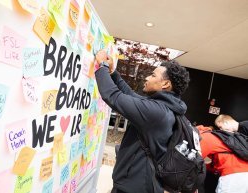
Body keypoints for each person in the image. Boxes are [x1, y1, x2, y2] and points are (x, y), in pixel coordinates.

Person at [94, 49, 190, 193]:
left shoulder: (157, 111)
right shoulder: (165, 107)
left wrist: (102, 66)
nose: (146, 78)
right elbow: (131, 96)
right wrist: (113, 73)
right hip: (140, 183)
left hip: (134, 187)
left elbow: (113, 96)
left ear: (165, 84)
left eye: (152, 75)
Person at [198, 115, 248, 193]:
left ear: (226, 122)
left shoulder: (207, 137)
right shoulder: (237, 136)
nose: (221, 130)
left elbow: (193, 160)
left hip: (232, 177)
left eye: (221, 127)